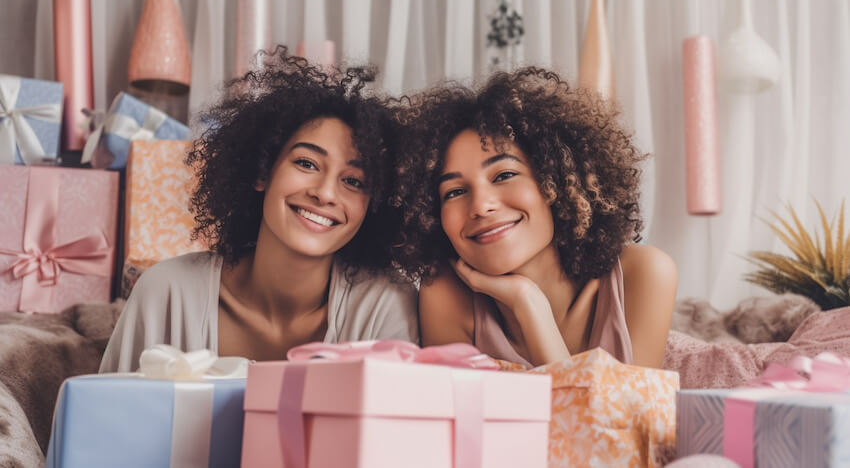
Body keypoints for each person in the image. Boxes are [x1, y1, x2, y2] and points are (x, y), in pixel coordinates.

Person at [100, 48, 418, 372]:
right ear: (262, 172)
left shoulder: (383, 305)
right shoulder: (165, 294)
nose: (324, 193)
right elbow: (104, 419)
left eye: (353, 181)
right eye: (306, 163)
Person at [390, 67, 676, 369]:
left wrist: (530, 306)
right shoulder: (446, 295)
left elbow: (631, 418)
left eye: (505, 175)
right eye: (454, 192)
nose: (481, 205)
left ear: (557, 182)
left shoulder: (644, 274)